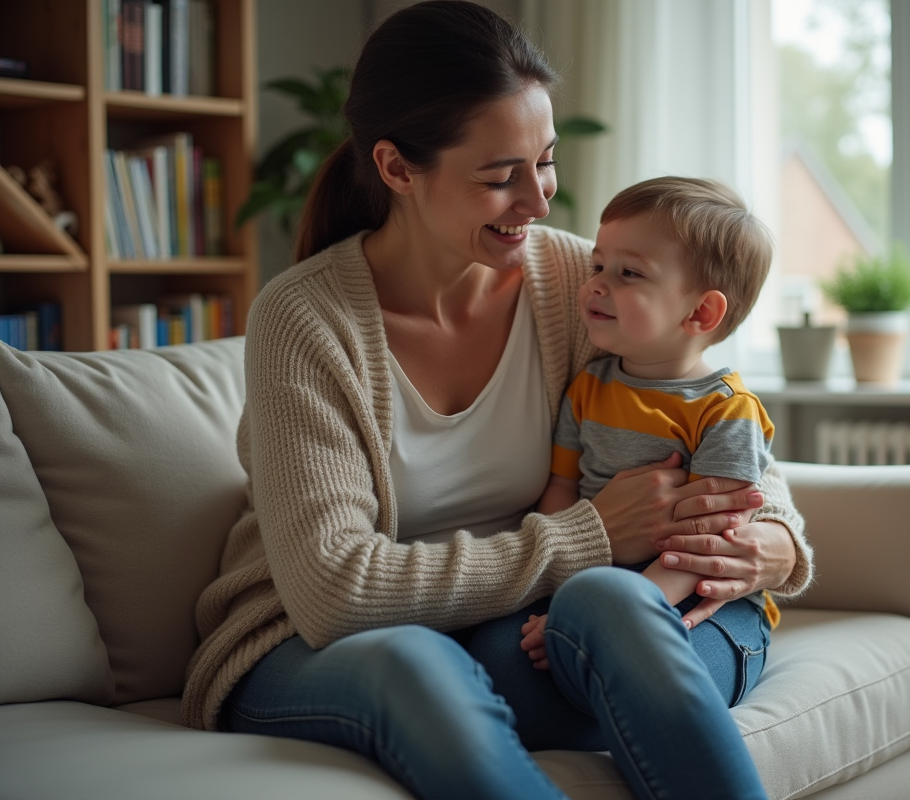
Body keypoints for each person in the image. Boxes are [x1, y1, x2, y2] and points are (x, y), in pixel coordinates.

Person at [180, 3, 813, 799]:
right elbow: (335, 591)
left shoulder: (579, 285)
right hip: (330, 643)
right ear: (397, 168)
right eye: (499, 176)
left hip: (529, 627)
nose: (540, 200)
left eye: (544, 162)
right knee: (425, 663)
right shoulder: (305, 319)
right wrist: (586, 535)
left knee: (611, 609)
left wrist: (774, 542)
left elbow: (718, 422)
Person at [517, 177, 781, 677]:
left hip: (695, 593)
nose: (596, 283)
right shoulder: (588, 388)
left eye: (629, 273)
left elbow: (713, 537)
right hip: (600, 579)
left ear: (700, 311)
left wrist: (608, 610)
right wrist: (564, 591)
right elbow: (561, 490)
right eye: (598, 266)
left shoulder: (727, 410)